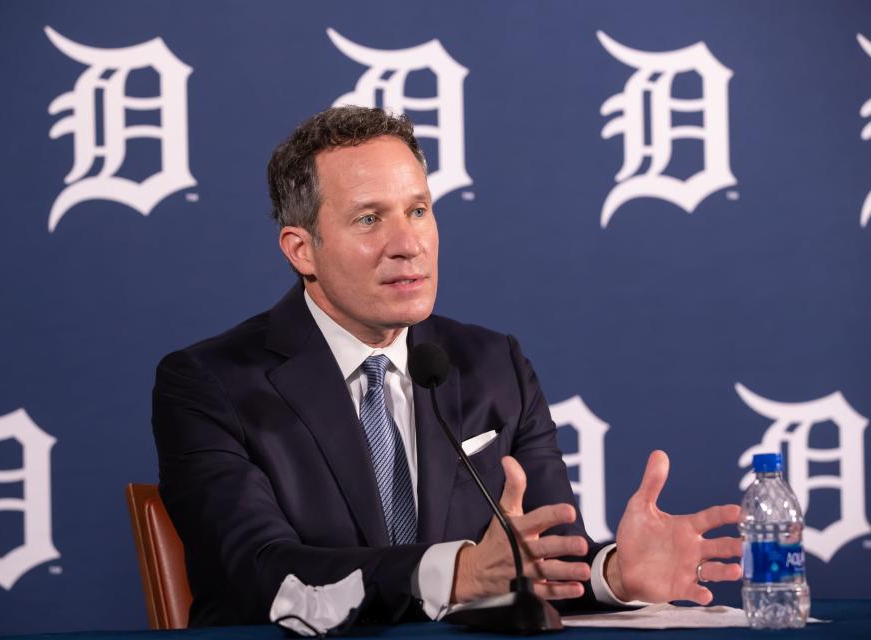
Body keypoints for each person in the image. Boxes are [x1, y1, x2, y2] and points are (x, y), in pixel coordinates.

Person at [152, 106, 743, 627]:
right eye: (368, 219)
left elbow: (541, 558)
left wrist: (615, 573)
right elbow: (262, 576)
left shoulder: (492, 366)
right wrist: (457, 573)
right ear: (302, 249)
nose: (407, 243)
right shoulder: (211, 383)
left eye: (417, 210)